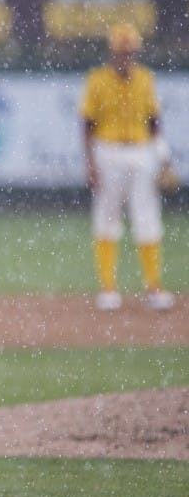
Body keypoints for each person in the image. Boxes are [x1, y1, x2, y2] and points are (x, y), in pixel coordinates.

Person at [81, 23, 174, 312]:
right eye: (122, 52)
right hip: (108, 151)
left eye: (130, 52)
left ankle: (153, 287)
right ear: (112, 52)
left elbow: (154, 122)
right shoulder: (97, 80)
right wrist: (91, 164)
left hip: (141, 151)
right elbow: (87, 125)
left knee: (146, 218)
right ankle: (108, 288)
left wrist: (163, 157)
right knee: (107, 218)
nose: (126, 57)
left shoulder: (146, 78)